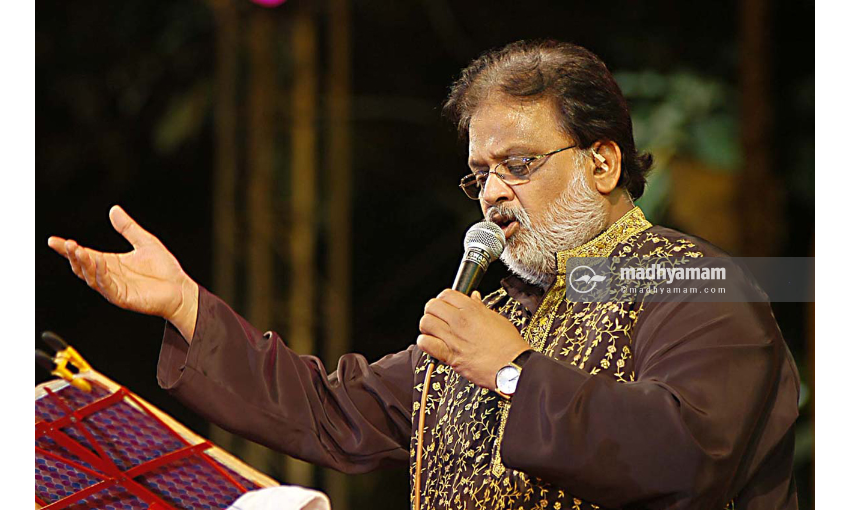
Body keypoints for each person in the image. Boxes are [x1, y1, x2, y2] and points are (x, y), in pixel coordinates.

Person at [47, 40, 799, 509]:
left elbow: (689, 456)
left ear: (602, 163)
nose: (495, 193)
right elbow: (330, 410)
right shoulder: (497, 313)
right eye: (481, 174)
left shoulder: (693, 283)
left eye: (519, 164)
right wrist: (185, 306)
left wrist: (512, 371)